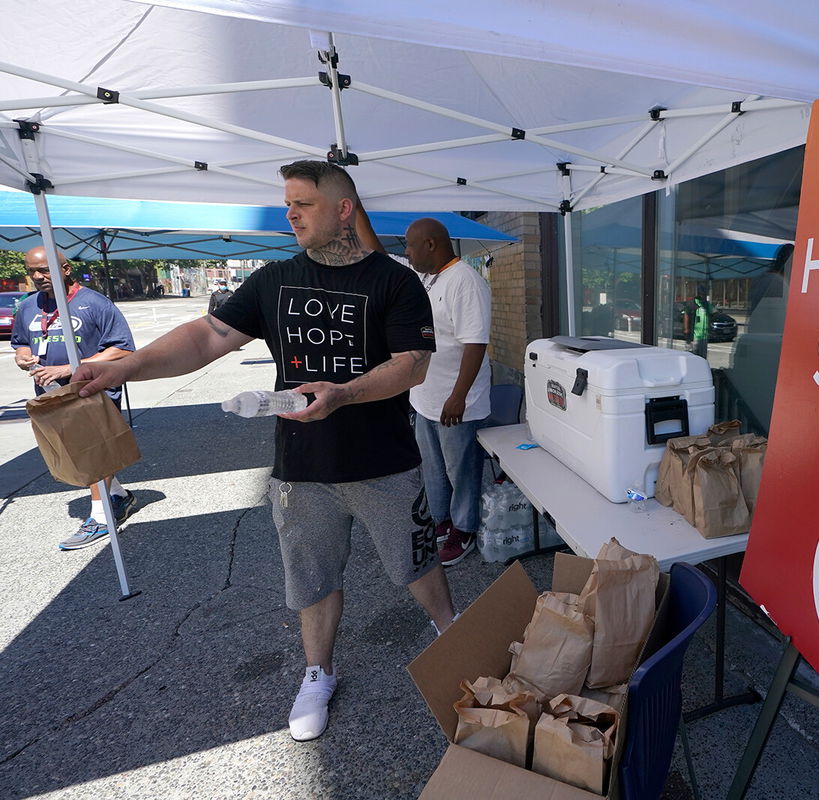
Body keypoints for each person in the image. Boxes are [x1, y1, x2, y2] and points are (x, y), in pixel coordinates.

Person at [73, 160, 458, 743]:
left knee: (417, 561)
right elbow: (206, 338)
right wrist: (123, 368)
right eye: (288, 204)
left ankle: (449, 632)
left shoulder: (394, 281)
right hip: (301, 468)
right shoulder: (275, 281)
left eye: (302, 203)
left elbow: (412, 364)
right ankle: (317, 673)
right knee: (311, 575)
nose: (291, 213)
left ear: (344, 209)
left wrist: (344, 393)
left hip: (386, 462)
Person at [11, 247, 139, 550]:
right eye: (32, 271)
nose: (39, 277)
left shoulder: (93, 303)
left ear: (65, 269)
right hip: (51, 394)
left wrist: (71, 367)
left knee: (92, 451)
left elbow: (122, 348)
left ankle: (100, 516)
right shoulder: (29, 307)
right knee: (74, 451)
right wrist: (22, 356)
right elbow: (20, 343)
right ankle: (118, 496)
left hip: (91, 391)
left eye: (45, 270)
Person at [403, 218, 492, 567]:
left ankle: (464, 528)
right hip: (425, 397)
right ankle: (442, 520)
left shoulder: (465, 282)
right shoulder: (430, 278)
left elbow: (475, 343)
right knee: (434, 468)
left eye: (410, 245)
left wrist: (458, 396)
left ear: (430, 244)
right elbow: (379, 254)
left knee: (461, 470)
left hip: (456, 402)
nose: (406, 252)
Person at [683, 283, 713, 358]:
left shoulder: (706, 304)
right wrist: (686, 329)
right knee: (694, 355)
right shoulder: (692, 303)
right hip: (695, 335)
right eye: (701, 294)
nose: (703, 296)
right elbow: (686, 315)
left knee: (703, 356)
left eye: (704, 294)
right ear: (698, 293)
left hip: (704, 336)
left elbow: (712, 314)